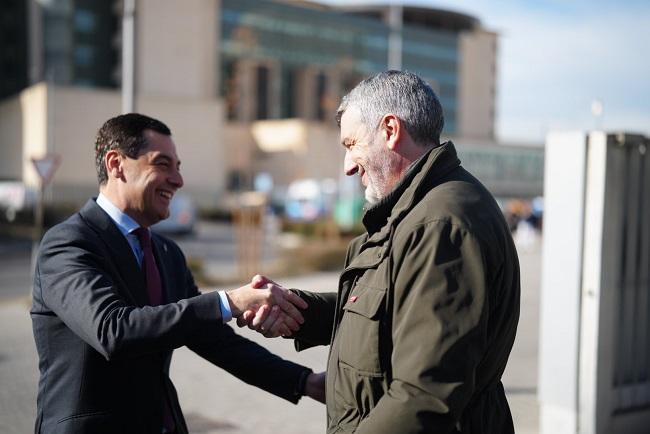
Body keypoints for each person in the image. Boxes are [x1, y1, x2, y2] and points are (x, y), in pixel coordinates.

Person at [242, 71, 521, 433]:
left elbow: (424, 395)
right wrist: (300, 310)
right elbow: (393, 309)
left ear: (390, 130)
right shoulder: (416, 211)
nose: (347, 166)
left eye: (351, 144)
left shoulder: (439, 224)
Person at [31, 113, 323, 434]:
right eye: (162, 164)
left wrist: (305, 382)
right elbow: (112, 329)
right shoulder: (68, 243)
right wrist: (229, 301)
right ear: (115, 164)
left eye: (178, 167)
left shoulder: (166, 253)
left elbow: (212, 339)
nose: (178, 179)